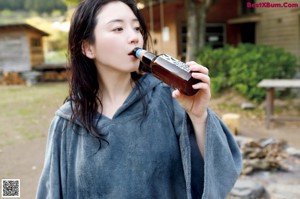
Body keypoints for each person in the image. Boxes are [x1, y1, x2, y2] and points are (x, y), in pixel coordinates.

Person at [36, 0, 242, 198]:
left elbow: (219, 173)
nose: (134, 37)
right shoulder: (69, 121)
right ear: (88, 48)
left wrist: (199, 117)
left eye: (137, 28)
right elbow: (51, 191)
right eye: (118, 29)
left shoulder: (169, 99)